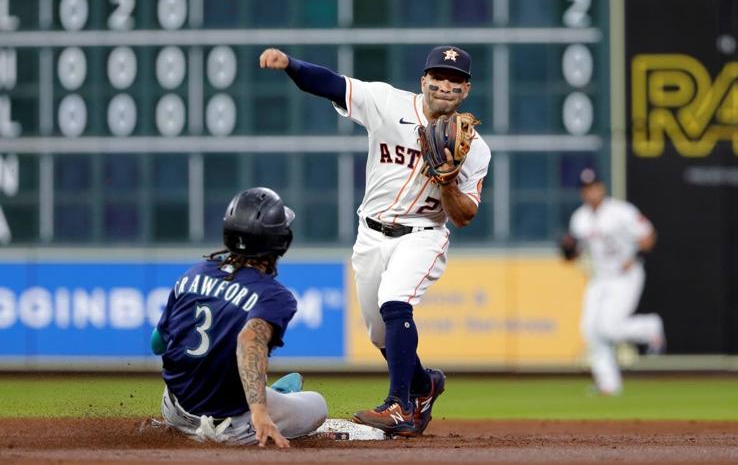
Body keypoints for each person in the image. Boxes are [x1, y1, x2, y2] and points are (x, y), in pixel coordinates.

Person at [259, 46, 491, 436]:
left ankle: (400, 405)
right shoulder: (387, 102)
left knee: (395, 302)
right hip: (370, 232)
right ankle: (423, 385)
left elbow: (465, 216)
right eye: (438, 77)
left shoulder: (476, 149)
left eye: (455, 81)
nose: (445, 86)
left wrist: (448, 179)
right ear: (424, 81)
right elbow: (332, 85)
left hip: (423, 234)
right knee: (378, 333)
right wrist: (291, 65)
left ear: (465, 90)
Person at [151, 187, 328, 447]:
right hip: (231, 427)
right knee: (317, 403)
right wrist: (259, 413)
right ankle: (273, 397)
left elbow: (158, 344)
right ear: (280, 241)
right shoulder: (274, 295)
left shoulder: (194, 273)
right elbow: (248, 340)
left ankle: (270, 395)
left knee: (222, 361)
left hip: (176, 410)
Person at [561, 168, 666, 395]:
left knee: (609, 327)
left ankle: (650, 327)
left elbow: (648, 235)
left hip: (625, 276)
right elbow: (575, 254)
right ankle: (608, 384)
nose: (591, 192)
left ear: (602, 188)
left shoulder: (621, 211)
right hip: (599, 279)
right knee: (589, 329)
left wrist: (635, 256)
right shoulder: (579, 218)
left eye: (594, 187)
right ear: (582, 192)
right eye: (586, 189)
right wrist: (568, 250)